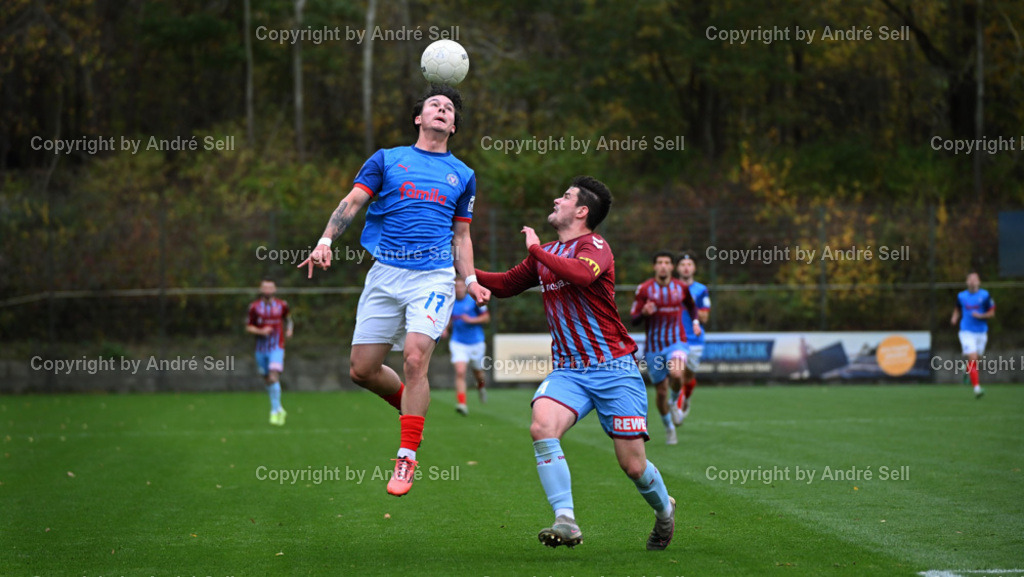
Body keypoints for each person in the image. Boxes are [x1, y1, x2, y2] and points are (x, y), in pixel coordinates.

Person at [298, 84, 491, 496]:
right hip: (386, 274)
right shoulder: (388, 159)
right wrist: (326, 240)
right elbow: (352, 201)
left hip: (433, 278)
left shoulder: (464, 175)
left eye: (449, 108)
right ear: (418, 118)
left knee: (416, 358)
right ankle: (410, 408)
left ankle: (406, 455)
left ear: (454, 126)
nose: (442, 110)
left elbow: (461, 235)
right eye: (434, 105)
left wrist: (471, 279)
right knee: (361, 370)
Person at [475, 176, 677, 551]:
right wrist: (463, 272)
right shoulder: (548, 253)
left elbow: (582, 275)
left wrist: (536, 251)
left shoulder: (595, 246)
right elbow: (503, 284)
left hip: (614, 368)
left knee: (633, 466)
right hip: (569, 370)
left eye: (565, 197)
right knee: (541, 427)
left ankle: (665, 512)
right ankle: (565, 519)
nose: (556, 199)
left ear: (582, 211)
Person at [631, 252, 700, 445]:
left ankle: (674, 403)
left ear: (672, 267)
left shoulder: (680, 287)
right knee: (660, 391)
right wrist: (644, 312)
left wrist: (694, 321)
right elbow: (634, 319)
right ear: (654, 267)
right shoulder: (645, 289)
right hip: (654, 348)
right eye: (659, 262)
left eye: (667, 263)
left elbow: (692, 307)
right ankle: (669, 427)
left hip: (677, 341)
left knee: (677, 374)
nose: (663, 266)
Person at [246, 279, 293, 426]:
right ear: (261, 289)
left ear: (275, 289)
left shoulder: (282, 305)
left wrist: (289, 329)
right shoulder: (254, 307)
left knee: (273, 376)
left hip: (277, 347)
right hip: (261, 349)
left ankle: (274, 411)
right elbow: (249, 327)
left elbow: (289, 320)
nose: (267, 290)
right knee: (267, 379)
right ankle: (279, 408)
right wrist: (261, 331)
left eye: (270, 287)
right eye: (265, 287)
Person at [671, 251, 711, 423]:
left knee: (688, 377)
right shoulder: (670, 288)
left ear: (694, 268)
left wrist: (690, 301)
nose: (686, 268)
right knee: (676, 374)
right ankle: (675, 407)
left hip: (695, 340)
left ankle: (686, 398)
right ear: (677, 268)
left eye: (689, 265)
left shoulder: (701, 290)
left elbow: (704, 318)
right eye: (682, 265)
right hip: (676, 339)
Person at [441, 277, 490, 415]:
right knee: (460, 371)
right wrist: (445, 329)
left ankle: (481, 387)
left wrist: (471, 320)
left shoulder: (474, 300)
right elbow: (448, 320)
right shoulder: (450, 302)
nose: (459, 289)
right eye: (456, 287)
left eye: (461, 287)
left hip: (476, 342)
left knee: (478, 373)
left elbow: (486, 318)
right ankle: (462, 403)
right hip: (458, 342)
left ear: (466, 288)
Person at [951, 271, 995, 398]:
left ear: (979, 281)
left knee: (976, 360)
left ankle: (967, 369)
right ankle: (977, 388)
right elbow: (957, 309)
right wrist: (954, 317)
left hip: (981, 332)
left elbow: (992, 313)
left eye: (975, 279)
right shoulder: (961, 296)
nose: (972, 281)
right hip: (966, 331)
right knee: (973, 358)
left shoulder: (985, 295)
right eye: (970, 279)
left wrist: (980, 315)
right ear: (966, 282)